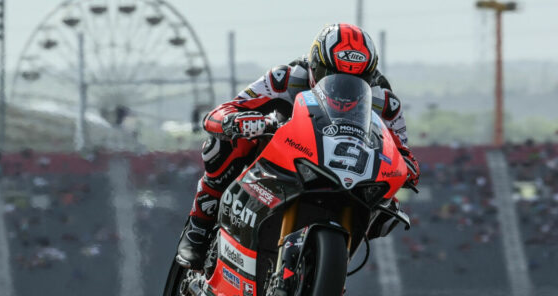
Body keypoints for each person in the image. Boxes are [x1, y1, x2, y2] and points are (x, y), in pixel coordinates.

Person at [174, 23, 420, 270]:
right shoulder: (285, 79)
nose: (343, 88)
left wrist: (406, 169)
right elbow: (223, 112)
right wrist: (235, 121)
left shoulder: (385, 103)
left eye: (357, 80)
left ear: (370, 76)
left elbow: (402, 153)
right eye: (332, 76)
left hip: (347, 170)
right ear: (315, 65)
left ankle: (329, 275)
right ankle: (199, 223)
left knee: (388, 207)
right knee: (224, 144)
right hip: (285, 157)